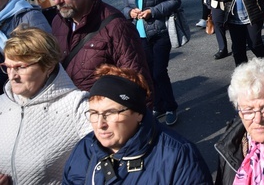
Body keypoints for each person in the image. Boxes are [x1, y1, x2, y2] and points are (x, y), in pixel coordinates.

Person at [63, 65, 212, 184]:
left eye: (111, 113)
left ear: (138, 113)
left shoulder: (178, 156)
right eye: (94, 113)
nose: (100, 124)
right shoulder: (86, 148)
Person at [0, 27, 90, 185]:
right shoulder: (2, 104)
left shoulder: (77, 106)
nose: (12, 75)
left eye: (20, 67)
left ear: (48, 66)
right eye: (8, 67)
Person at [50, 0, 150, 91]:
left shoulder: (116, 26)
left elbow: (138, 83)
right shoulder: (58, 22)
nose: (57, 1)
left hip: (102, 110)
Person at [123, 0, 182, 126]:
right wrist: (130, 12)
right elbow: (124, 7)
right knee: (147, 73)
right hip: (140, 35)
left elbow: (174, 1)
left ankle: (171, 107)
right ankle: (158, 105)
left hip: (160, 33)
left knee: (159, 72)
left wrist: (153, 11)